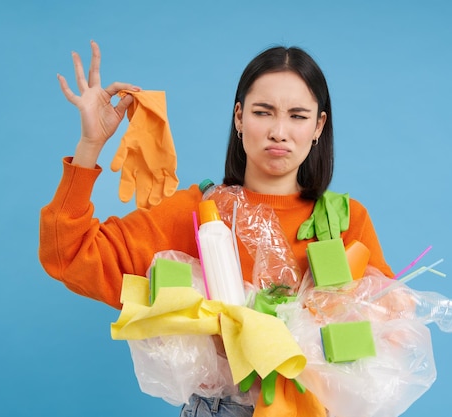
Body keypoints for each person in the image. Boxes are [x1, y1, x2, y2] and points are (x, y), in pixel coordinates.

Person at [39, 40, 393, 417]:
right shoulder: (198, 213)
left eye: (298, 116)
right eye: (263, 112)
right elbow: (69, 254)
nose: (279, 131)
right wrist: (90, 145)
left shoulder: (344, 221)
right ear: (239, 117)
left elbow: (389, 328)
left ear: (318, 125)